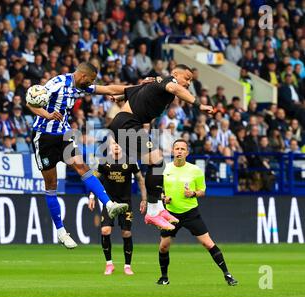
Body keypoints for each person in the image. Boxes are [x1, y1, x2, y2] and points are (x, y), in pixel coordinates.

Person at [27, 62, 144, 249]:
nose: (92, 83)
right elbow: (30, 102)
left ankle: (109, 204)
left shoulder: (79, 86)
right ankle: (61, 231)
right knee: (51, 185)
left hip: (63, 135)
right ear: (82, 76)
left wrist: (141, 87)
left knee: (82, 167)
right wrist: (47, 115)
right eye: (91, 79)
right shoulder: (56, 84)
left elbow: (108, 88)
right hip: (44, 137)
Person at [108, 64, 213, 230]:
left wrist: (119, 96)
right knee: (157, 163)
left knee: (157, 164)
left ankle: (157, 208)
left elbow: (131, 90)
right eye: (186, 78)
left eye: (191, 81)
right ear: (175, 74)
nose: (188, 83)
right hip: (126, 123)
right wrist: (198, 105)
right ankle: (153, 211)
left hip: (127, 124)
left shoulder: (156, 86)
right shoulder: (169, 82)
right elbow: (176, 89)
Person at [157, 139, 238, 286]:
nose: (179, 151)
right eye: (177, 148)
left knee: (208, 243)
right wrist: (164, 198)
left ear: (187, 153)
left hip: (190, 213)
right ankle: (164, 277)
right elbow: (158, 191)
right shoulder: (165, 169)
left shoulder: (195, 170)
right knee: (163, 246)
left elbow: (203, 191)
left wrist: (193, 193)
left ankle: (227, 274)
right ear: (173, 151)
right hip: (170, 214)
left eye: (182, 149)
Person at [88, 138, 147, 276]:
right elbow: (95, 180)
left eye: (119, 144)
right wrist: (91, 196)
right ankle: (109, 264)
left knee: (126, 232)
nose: (116, 146)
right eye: (114, 144)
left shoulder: (131, 161)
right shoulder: (104, 162)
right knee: (105, 230)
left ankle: (127, 266)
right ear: (109, 146)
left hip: (126, 203)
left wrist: (144, 199)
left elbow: (140, 179)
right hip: (109, 203)